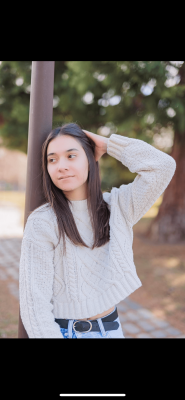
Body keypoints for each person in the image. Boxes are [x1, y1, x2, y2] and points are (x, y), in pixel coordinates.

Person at [19, 123, 176, 338]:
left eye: (71, 156)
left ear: (91, 159)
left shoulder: (118, 206)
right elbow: (34, 305)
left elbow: (162, 166)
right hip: (65, 332)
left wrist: (108, 144)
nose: (60, 166)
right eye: (52, 159)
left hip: (111, 329)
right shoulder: (43, 222)